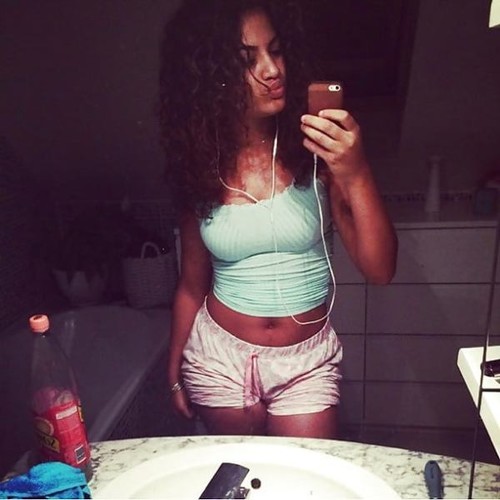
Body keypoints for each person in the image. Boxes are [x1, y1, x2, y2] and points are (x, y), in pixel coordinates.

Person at [159, 0, 397, 439]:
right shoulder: (198, 166)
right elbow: (192, 285)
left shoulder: (318, 152)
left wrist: (357, 170)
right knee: (242, 472)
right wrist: (175, 368)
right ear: (211, 77)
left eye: (277, 50)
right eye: (248, 60)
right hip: (217, 358)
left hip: (305, 363)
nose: (272, 70)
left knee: (301, 472)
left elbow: (380, 270)